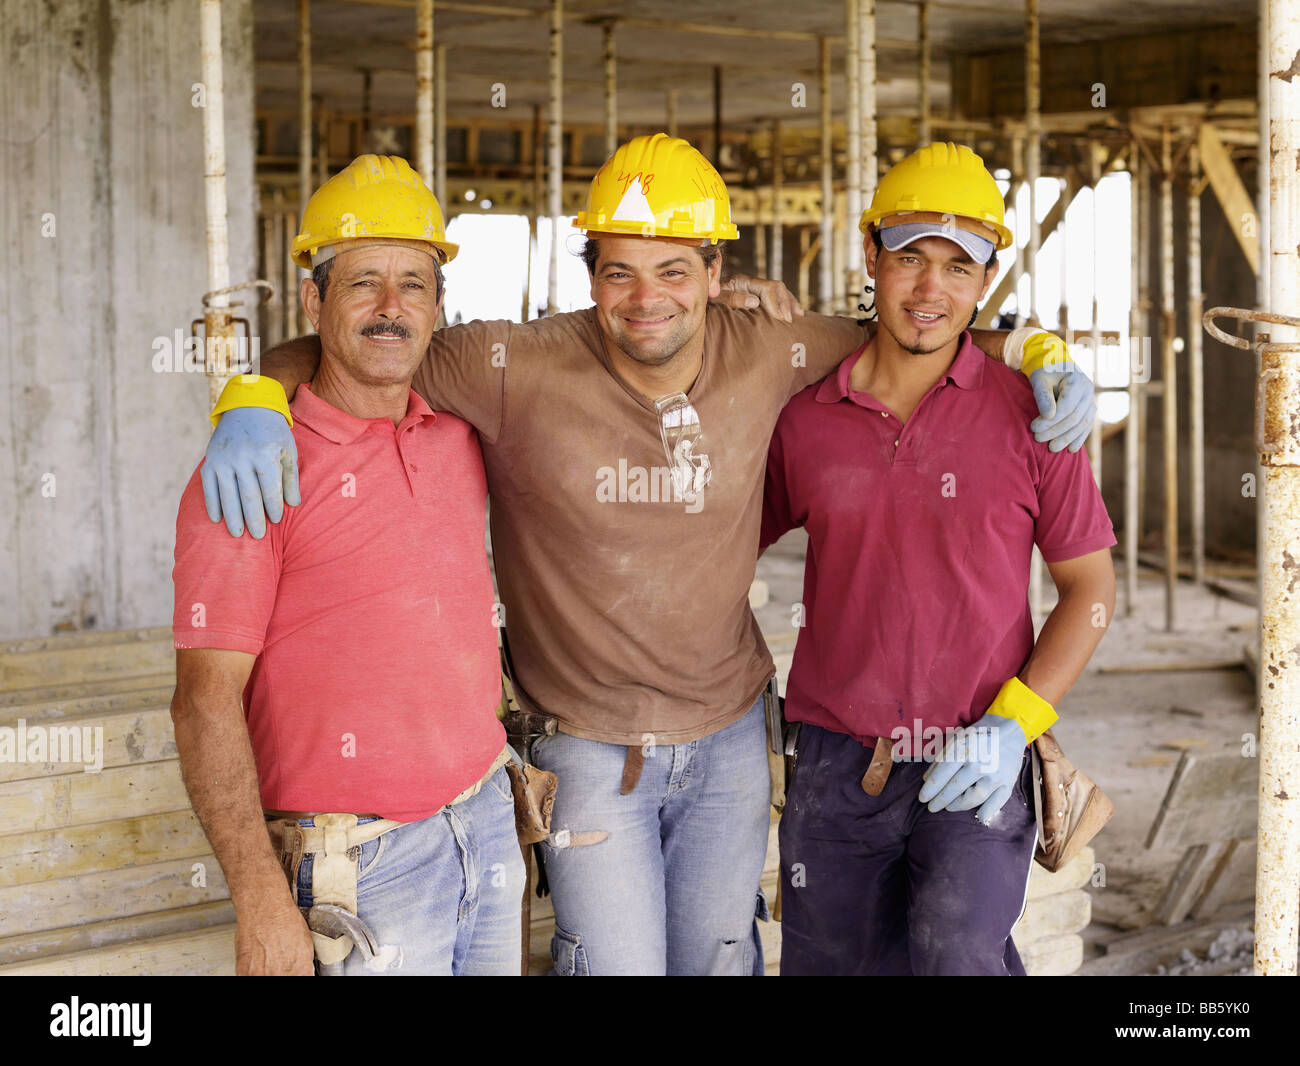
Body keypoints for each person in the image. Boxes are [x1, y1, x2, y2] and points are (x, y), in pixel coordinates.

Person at [196, 134, 1097, 975]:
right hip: (589, 748)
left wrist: (1035, 345)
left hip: (732, 737)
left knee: (724, 960)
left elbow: (918, 333)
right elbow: (357, 347)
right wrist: (252, 393)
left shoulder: (774, 347)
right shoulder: (511, 365)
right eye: (619, 271)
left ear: (715, 272)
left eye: (674, 269)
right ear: (589, 275)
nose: (646, 297)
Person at [760, 142, 1117, 976]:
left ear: (985, 283)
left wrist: (1013, 725)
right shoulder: (807, 419)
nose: (931, 290)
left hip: (979, 749)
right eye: (911, 259)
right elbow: (720, 547)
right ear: (872, 259)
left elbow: (1089, 588)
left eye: (959, 268)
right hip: (834, 760)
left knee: (957, 955)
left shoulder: (1036, 414)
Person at [170, 154, 524, 976]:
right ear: (313, 298)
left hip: (484, 821)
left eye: (414, 282)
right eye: (363, 281)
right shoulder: (254, 470)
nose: (391, 308)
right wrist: (259, 896)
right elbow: (202, 701)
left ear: (440, 304)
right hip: (358, 865)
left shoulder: (456, 437)